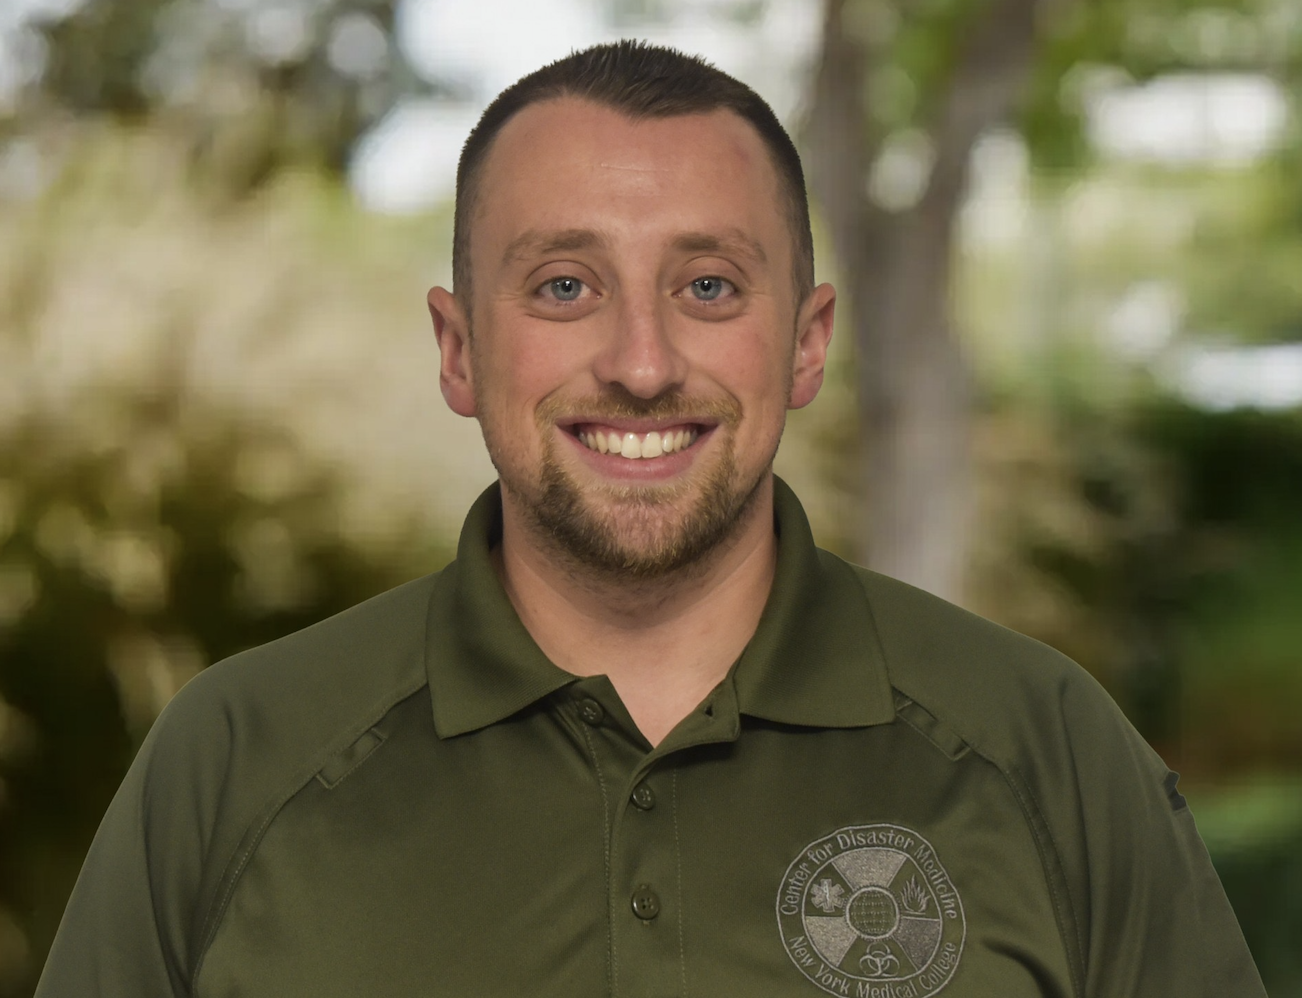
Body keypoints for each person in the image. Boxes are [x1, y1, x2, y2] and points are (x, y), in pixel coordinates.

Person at [36, 40, 1264, 998]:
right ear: (460, 350)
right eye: (565, 285)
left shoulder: (1047, 752)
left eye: (709, 284)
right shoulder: (233, 761)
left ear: (808, 342)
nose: (640, 360)